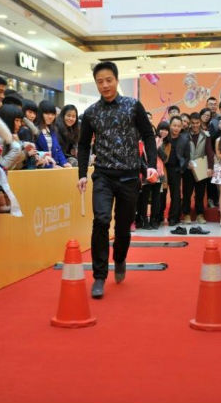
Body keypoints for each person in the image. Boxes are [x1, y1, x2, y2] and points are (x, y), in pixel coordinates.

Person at [77, 61, 157, 299]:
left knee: (123, 226)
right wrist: (82, 174)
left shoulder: (133, 106)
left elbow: (148, 135)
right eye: (100, 82)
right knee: (101, 221)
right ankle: (99, 276)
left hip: (130, 176)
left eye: (108, 80)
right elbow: (83, 145)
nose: (105, 85)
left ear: (117, 80)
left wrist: (151, 165)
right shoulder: (91, 112)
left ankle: (120, 258)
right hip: (103, 175)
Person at [182, 112, 214, 225]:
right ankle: (186, 214)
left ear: (200, 122)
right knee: (187, 193)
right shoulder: (184, 135)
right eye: (193, 123)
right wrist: (186, 163)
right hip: (188, 168)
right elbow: (181, 152)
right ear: (190, 123)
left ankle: (200, 214)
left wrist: (210, 167)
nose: (195, 125)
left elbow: (210, 152)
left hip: (201, 167)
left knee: (200, 193)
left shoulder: (206, 135)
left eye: (197, 123)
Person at [162, 116, 191, 227]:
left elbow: (187, 157)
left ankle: (174, 218)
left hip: (176, 170)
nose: (176, 128)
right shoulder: (164, 137)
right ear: (170, 125)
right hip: (163, 169)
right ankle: (159, 216)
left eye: (179, 126)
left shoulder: (184, 140)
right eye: (174, 125)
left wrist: (181, 169)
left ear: (181, 127)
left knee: (176, 195)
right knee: (161, 193)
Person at [35, 100, 71, 168]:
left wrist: (64, 162)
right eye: (47, 114)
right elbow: (35, 154)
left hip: (54, 166)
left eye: (52, 114)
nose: (50, 117)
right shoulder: (35, 130)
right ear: (40, 114)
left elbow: (58, 149)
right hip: (41, 168)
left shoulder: (52, 130)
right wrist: (51, 166)